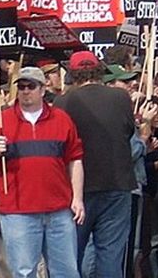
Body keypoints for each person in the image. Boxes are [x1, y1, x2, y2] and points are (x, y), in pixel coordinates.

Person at [0, 66, 84, 278]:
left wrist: (78, 199)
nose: (26, 91)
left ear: (42, 90)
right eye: (22, 86)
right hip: (18, 211)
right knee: (24, 272)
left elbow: (75, 160)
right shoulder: (1, 120)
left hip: (59, 209)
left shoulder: (62, 119)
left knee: (67, 272)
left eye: (31, 86)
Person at [53, 51, 136, 278]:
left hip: (77, 188)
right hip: (117, 183)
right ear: (99, 70)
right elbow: (128, 132)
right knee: (110, 254)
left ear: (72, 74)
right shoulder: (120, 97)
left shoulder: (62, 102)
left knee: (72, 253)